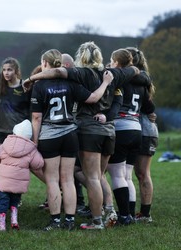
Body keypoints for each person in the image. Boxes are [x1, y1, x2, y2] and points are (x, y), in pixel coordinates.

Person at [23, 41, 139, 229]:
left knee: (88, 178)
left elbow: (59, 74)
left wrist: (33, 78)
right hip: (108, 131)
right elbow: (135, 71)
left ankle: (95, 220)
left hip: (86, 131)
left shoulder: (80, 74)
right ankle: (104, 210)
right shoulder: (111, 73)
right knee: (95, 177)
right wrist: (110, 80)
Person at [31, 49, 114, 231]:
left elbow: (36, 118)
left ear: (45, 63)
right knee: (68, 179)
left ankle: (55, 221)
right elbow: (93, 98)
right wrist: (105, 83)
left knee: (53, 180)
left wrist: (34, 142)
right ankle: (69, 220)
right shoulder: (71, 83)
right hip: (70, 135)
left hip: (50, 136)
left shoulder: (39, 86)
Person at [105, 48, 154, 225]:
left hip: (121, 129)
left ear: (118, 63)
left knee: (117, 175)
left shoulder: (120, 79)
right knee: (127, 175)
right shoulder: (142, 82)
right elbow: (150, 108)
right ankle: (130, 214)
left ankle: (124, 216)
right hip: (136, 130)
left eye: (111, 61)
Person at [0, 119, 44, 231]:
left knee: (2, 202)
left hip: (3, 182)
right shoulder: (31, 150)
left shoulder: (4, 145)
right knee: (15, 202)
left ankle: (2, 226)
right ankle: (14, 221)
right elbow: (39, 164)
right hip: (18, 183)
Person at [126, 47, 158, 223]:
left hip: (145, 130)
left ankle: (145, 214)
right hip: (141, 128)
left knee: (142, 173)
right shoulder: (142, 78)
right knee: (136, 173)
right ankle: (133, 211)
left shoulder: (138, 78)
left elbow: (148, 108)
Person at [0, 57, 31, 151]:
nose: (6, 72)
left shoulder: (25, 86)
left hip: (19, 132)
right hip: (0, 130)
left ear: (16, 71)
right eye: (4, 70)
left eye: (9, 70)